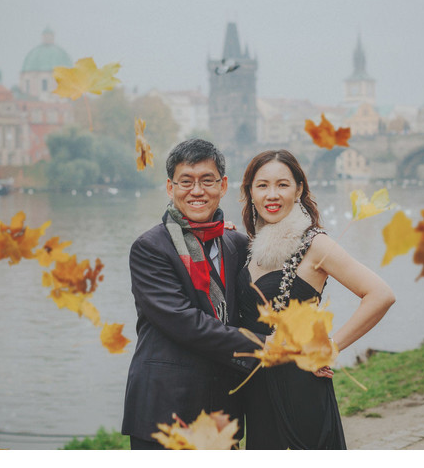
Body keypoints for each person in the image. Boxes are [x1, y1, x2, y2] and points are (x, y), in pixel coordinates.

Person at [238, 149, 396, 450]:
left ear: (298, 190)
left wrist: (331, 347)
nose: (272, 194)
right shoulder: (249, 247)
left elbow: (380, 295)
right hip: (257, 389)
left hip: (300, 384)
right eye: (262, 185)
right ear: (250, 192)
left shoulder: (316, 244)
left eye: (282, 185)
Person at [121, 139, 262, 450]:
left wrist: (303, 350)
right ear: (170, 188)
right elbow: (186, 323)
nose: (197, 191)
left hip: (221, 411)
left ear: (223, 185)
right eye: (186, 181)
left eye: (207, 181)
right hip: (166, 410)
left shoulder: (236, 244)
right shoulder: (150, 248)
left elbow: (262, 299)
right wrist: (266, 347)